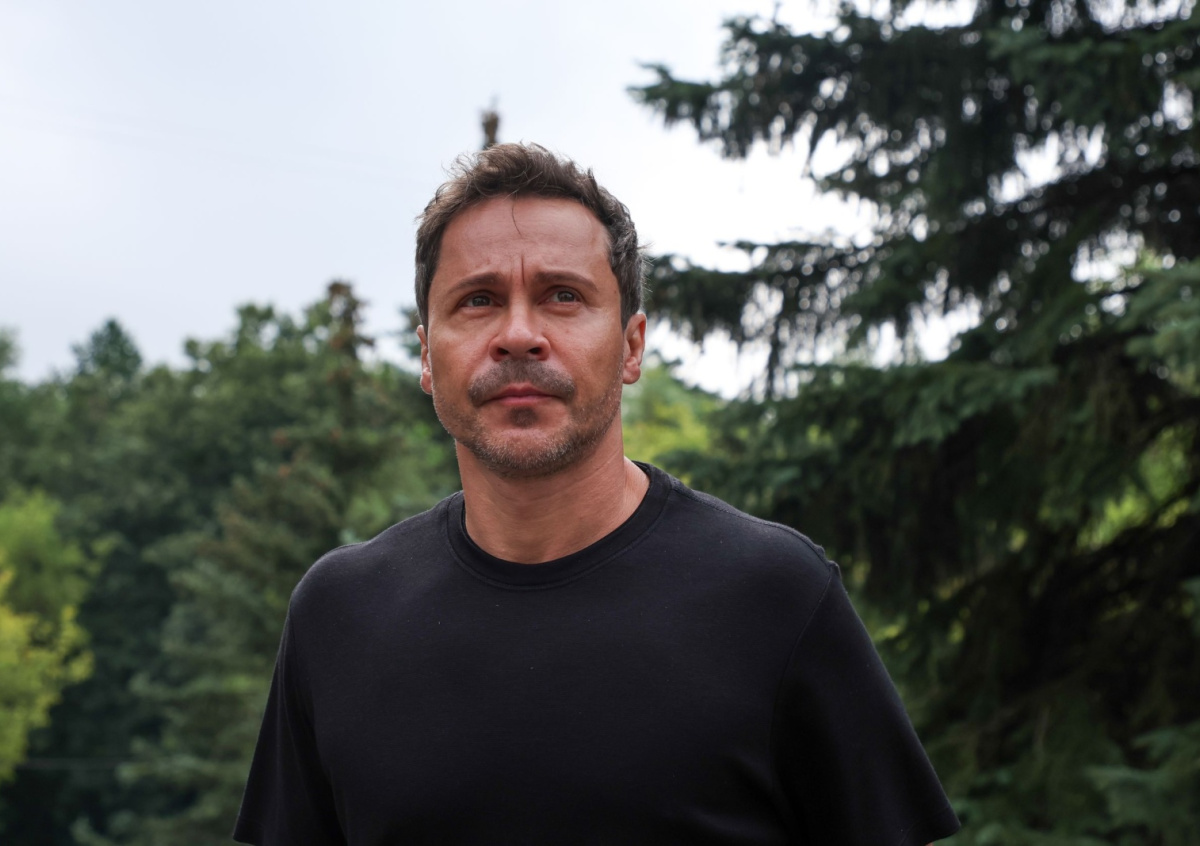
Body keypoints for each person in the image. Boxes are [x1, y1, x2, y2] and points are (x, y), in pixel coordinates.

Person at [233, 143, 961, 846]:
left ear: (631, 346)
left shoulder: (775, 596)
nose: (520, 335)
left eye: (563, 296)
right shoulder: (338, 616)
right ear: (427, 354)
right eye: (479, 300)